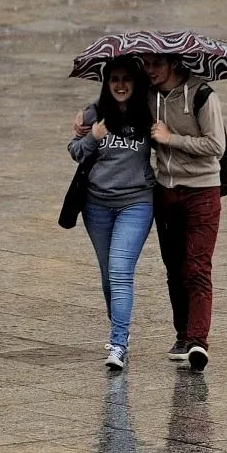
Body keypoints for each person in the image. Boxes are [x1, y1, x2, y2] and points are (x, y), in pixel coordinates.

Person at [73, 54, 226, 372]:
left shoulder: (180, 100)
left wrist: (173, 139)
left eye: (156, 65)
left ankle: (183, 341)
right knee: (158, 270)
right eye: (148, 66)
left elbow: (216, 145)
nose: (150, 72)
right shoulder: (129, 103)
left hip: (170, 196)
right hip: (136, 197)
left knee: (187, 267)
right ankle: (183, 336)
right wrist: (87, 128)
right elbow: (84, 135)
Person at [68, 56, 155, 370]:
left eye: (126, 79)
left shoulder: (150, 110)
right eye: (114, 79)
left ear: (136, 82)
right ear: (106, 83)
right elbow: (75, 151)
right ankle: (120, 328)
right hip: (97, 206)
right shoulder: (95, 113)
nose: (120, 85)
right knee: (108, 276)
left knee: (120, 272)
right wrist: (93, 135)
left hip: (137, 203)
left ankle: (118, 342)